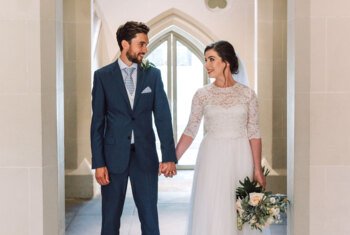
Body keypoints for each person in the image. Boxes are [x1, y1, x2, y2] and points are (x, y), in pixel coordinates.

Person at [90, 21, 177, 235]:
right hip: (112, 158)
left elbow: (163, 118)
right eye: (141, 44)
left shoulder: (152, 75)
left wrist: (168, 156)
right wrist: (98, 162)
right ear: (125, 44)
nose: (145, 49)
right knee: (110, 220)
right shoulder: (102, 77)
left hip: (145, 157)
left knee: (149, 218)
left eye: (146, 44)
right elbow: (98, 123)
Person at [175, 40, 266, 235]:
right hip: (212, 157)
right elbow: (191, 130)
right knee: (212, 207)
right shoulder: (202, 95)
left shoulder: (248, 94)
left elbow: (254, 133)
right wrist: (172, 159)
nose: (206, 65)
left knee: (239, 208)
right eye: (205, 60)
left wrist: (257, 168)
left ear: (226, 62)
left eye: (211, 59)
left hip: (240, 156)